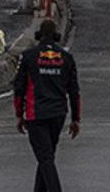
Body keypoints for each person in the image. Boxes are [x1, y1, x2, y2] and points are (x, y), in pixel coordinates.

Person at [13, 19, 80, 192]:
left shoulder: (29, 56)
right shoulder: (66, 57)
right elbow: (74, 91)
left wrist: (19, 115)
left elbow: (19, 88)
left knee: (45, 158)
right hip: (58, 114)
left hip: (36, 115)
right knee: (46, 157)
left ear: (38, 36)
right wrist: (76, 119)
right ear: (56, 36)